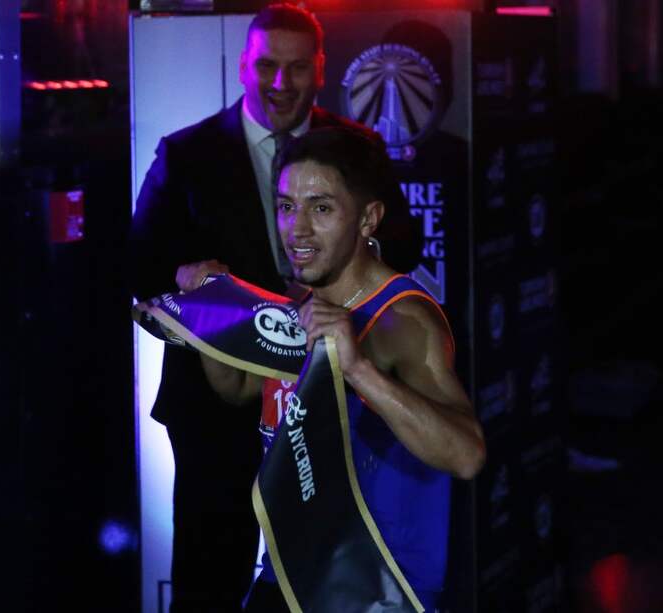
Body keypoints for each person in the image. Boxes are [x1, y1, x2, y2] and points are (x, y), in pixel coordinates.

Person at [128, 4, 422, 611]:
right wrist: (184, 278)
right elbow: (136, 266)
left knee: (329, 582)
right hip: (216, 414)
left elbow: (403, 243)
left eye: (295, 68)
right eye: (267, 66)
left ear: (321, 70)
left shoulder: (356, 148)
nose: (280, 84)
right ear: (242, 67)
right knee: (211, 580)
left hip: (332, 396)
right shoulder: (186, 154)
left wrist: (343, 270)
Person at [198, 127, 486, 612]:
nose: (298, 230)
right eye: (287, 206)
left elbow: (466, 455)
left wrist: (358, 369)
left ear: (368, 218)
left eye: (322, 208)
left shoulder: (403, 318)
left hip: (376, 591)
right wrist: (209, 311)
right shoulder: (296, 302)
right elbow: (239, 387)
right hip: (288, 574)